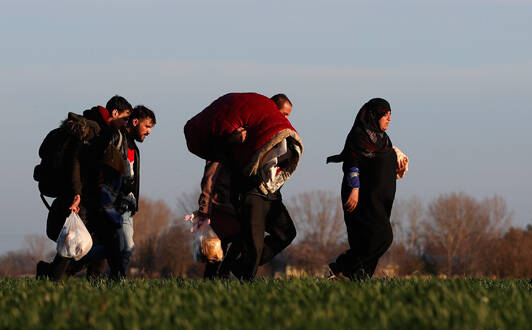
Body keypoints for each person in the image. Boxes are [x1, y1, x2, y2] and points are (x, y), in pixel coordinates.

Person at [184, 92, 303, 281]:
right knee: (235, 245)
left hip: (265, 196)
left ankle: (232, 270)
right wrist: (205, 204)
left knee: (277, 235)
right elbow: (212, 169)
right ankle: (224, 278)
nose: (285, 119)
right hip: (234, 198)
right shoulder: (242, 133)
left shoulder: (273, 136)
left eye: (288, 115)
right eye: (283, 113)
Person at [37, 95, 132, 280]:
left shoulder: (101, 129)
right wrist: (77, 194)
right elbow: (76, 162)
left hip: (91, 194)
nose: (125, 123)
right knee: (76, 239)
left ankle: (109, 279)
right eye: (125, 118)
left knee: (102, 238)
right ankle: (50, 276)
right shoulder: (94, 130)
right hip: (81, 194)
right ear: (114, 113)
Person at [326, 98, 409, 280]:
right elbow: (352, 164)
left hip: (380, 199)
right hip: (362, 197)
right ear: (374, 115)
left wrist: (398, 168)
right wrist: (354, 189)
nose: (389, 119)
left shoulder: (384, 140)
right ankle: (341, 267)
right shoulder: (359, 136)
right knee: (383, 237)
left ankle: (359, 277)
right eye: (385, 115)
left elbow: (380, 166)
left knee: (369, 241)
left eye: (390, 115)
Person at [117, 105, 156, 274]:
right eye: (147, 126)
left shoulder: (133, 147)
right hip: (117, 205)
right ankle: (115, 280)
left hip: (127, 208)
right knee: (126, 247)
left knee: (122, 248)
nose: (149, 132)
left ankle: (115, 279)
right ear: (135, 121)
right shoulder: (119, 140)